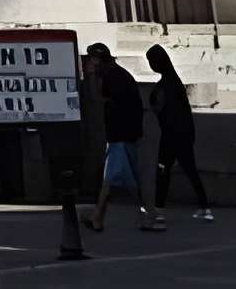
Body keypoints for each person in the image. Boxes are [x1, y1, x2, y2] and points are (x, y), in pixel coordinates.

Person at [87, 42, 163, 232]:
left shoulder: (114, 77)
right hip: (122, 136)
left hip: (121, 137)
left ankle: (149, 216)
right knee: (117, 180)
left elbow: (100, 99)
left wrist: (93, 77)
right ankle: (99, 216)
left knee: (118, 181)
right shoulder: (116, 74)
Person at [146, 45, 213, 222]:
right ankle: (204, 207)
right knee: (189, 170)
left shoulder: (165, 86)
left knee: (163, 171)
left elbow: (160, 108)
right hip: (182, 134)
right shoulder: (174, 82)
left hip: (170, 135)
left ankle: (158, 209)